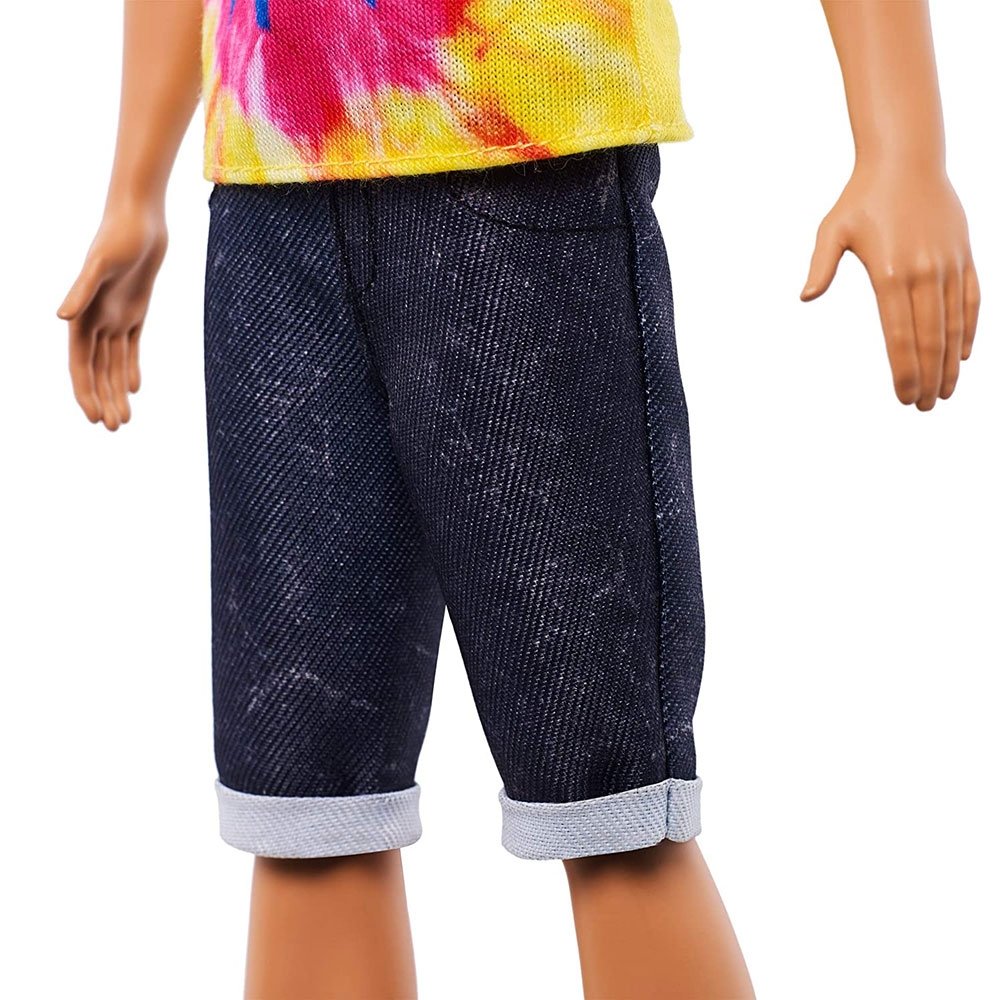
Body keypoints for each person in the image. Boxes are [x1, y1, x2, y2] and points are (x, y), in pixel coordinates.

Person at [57, 2, 978, 997]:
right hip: (269, 188)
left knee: (612, 802)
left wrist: (904, 148)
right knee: (307, 812)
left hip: (525, 152)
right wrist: (133, 186)